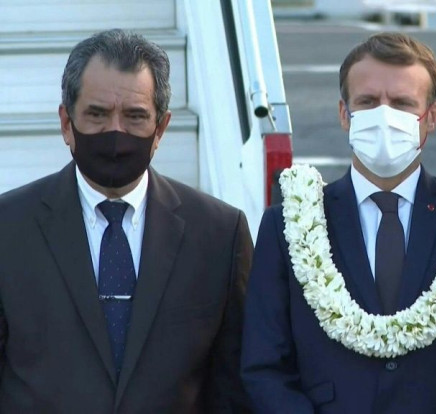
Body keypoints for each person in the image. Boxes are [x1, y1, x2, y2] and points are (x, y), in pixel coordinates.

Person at [241, 32, 436, 413]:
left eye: (401, 103)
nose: (383, 116)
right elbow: (264, 366)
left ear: (432, 116)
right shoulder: (287, 225)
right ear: (344, 114)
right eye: (367, 102)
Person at [0, 29, 252, 412]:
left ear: (161, 129)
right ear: (67, 123)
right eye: (97, 115)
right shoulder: (9, 228)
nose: (116, 132)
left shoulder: (219, 235)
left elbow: (235, 387)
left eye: (135, 117)